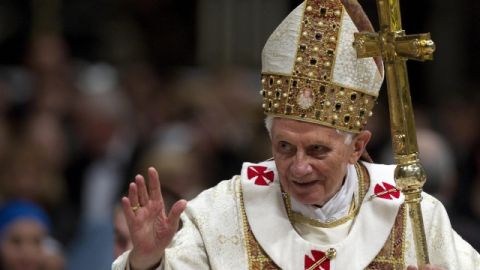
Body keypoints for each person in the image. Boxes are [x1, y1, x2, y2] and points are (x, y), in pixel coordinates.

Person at [113, 0, 480, 269]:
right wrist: (146, 262)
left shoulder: (413, 214)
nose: (298, 167)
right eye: (285, 147)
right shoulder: (220, 213)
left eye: (317, 150)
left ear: (358, 147)